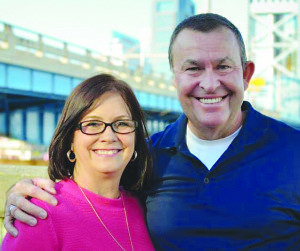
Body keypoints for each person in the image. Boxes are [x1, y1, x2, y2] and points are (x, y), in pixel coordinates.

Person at [3, 13, 300, 250]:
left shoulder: (293, 151)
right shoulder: (147, 156)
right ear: (174, 78)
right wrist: (19, 194)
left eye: (223, 66)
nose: (209, 84)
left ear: (246, 74)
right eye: (193, 68)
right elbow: (91, 194)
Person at [1, 74, 155, 250]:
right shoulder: (40, 213)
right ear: (70, 140)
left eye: (122, 124)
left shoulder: (146, 208)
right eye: (93, 124)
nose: (109, 136)